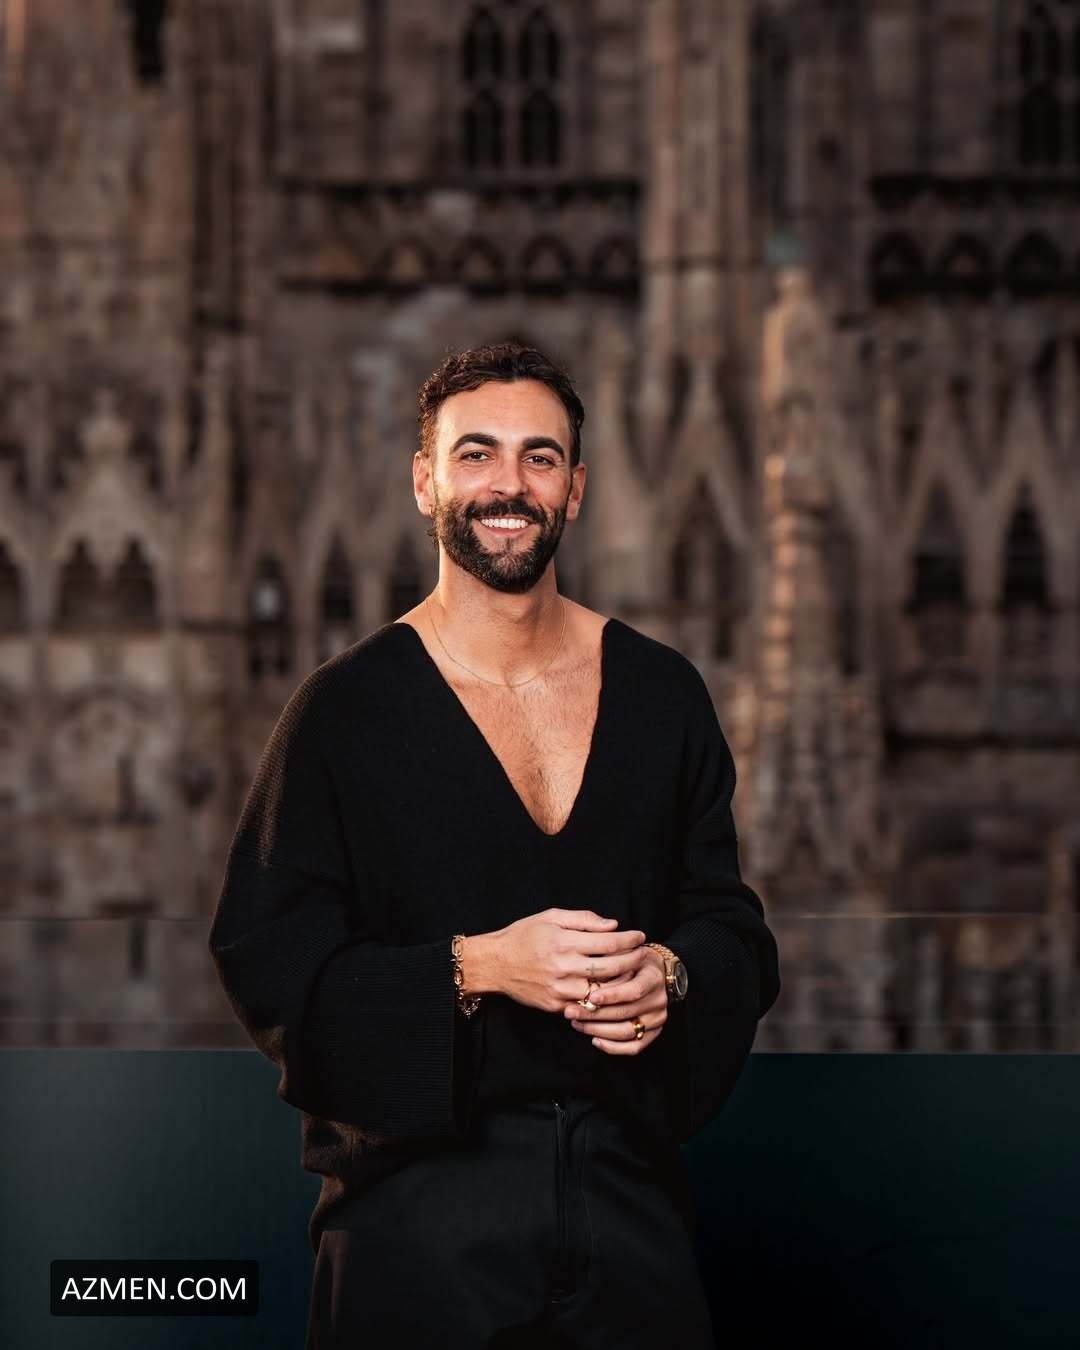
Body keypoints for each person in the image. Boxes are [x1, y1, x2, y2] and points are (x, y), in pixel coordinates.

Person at [208, 341, 781, 1348]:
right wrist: (477, 967)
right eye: (476, 454)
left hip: (629, 1211)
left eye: (539, 458)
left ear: (577, 489)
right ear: (424, 481)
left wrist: (673, 972)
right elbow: (273, 973)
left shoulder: (662, 693)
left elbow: (733, 928)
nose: (508, 485)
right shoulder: (343, 712)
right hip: (411, 1224)